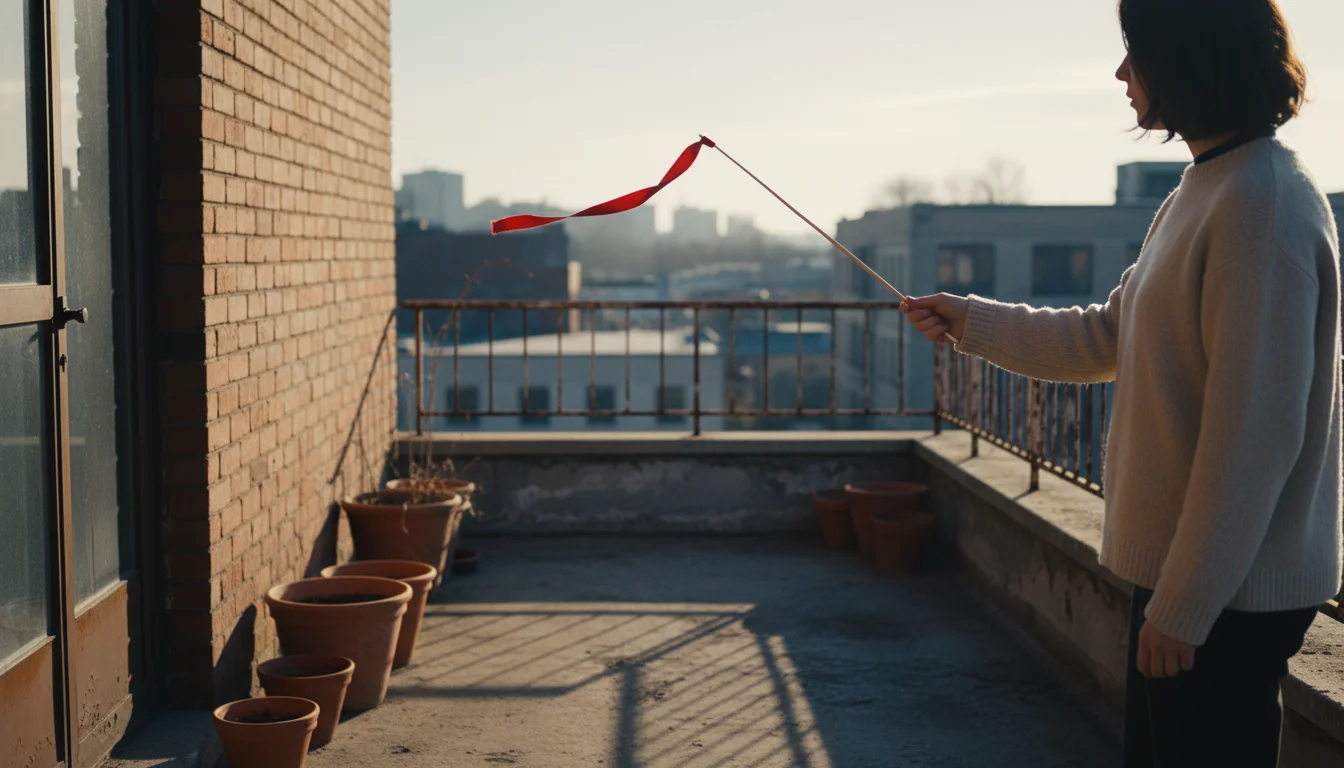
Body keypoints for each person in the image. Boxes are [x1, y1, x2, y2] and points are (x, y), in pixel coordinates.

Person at [900, 0, 1342, 765]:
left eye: (1135, 54)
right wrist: (971, 320)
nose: (1120, 73)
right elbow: (1111, 334)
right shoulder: (1208, 185)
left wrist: (1184, 608)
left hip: (1226, 595)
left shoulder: (1260, 207)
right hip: (1198, 578)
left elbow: (1256, 438)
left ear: (1188, 62)